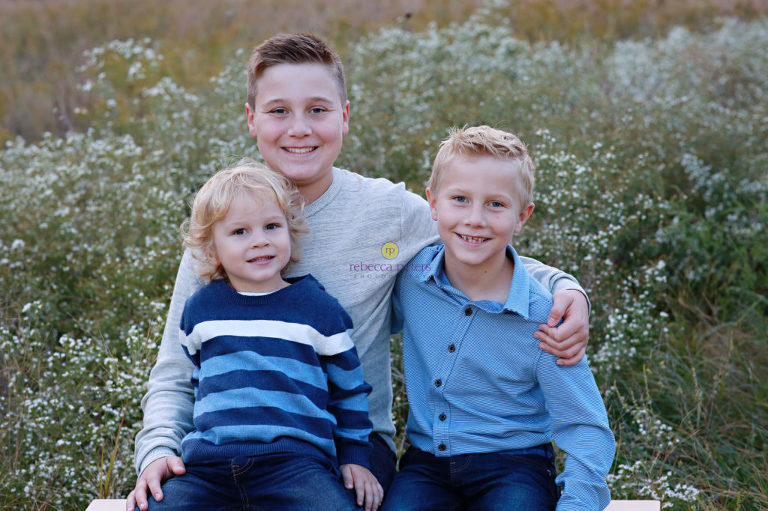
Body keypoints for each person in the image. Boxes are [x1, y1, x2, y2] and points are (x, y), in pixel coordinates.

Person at [127, 33, 592, 511]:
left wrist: (565, 288)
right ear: (252, 119)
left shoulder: (390, 213)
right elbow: (177, 369)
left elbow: (476, 243)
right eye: (279, 111)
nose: (299, 129)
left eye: (318, 110)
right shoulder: (224, 222)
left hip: (351, 448)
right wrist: (158, 450)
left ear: (345, 116)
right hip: (226, 448)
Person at [384, 126, 615, 511]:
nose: (475, 219)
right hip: (427, 465)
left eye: (495, 204)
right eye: (460, 199)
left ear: (522, 216)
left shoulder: (544, 316)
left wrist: (577, 504)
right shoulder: (412, 276)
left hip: (515, 466)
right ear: (433, 203)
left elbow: (585, 426)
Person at [148, 159, 383, 510]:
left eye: (271, 226)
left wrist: (355, 457)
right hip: (207, 466)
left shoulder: (318, 309)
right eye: (240, 232)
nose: (260, 241)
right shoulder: (201, 308)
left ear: (290, 231)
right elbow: (198, 381)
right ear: (211, 250)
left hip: (295, 464)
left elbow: (349, 391)